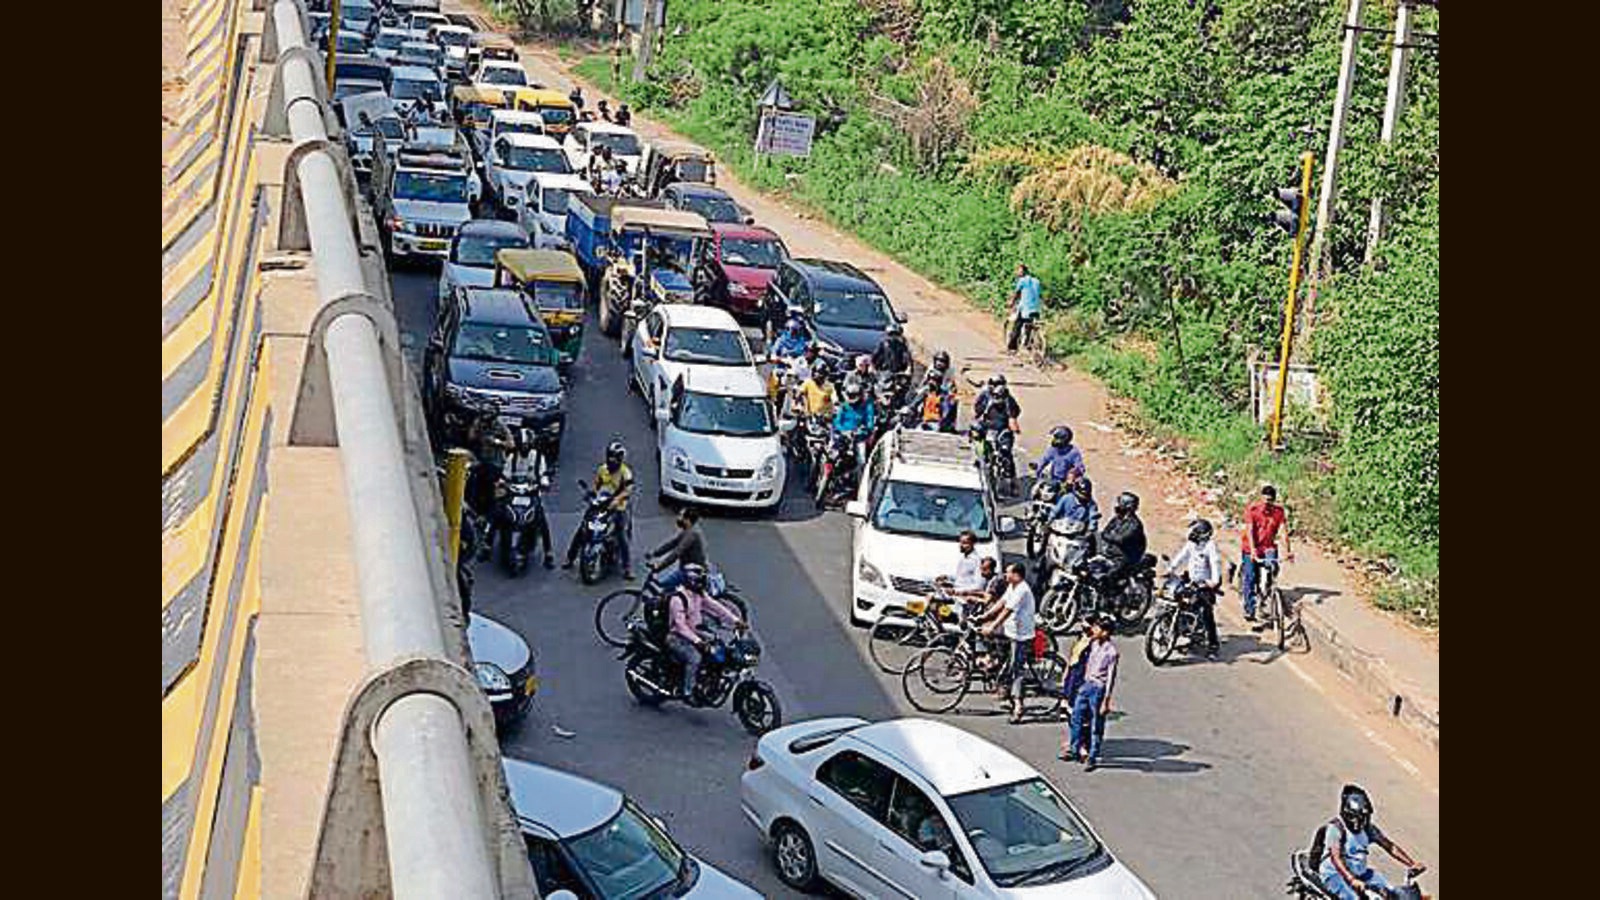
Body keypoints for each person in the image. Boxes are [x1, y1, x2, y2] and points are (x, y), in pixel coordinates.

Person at [1316, 785, 1423, 900]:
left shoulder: (1367, 829)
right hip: (1335, 875)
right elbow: (1336, 858)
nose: (1361, 821)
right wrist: (1351, 879)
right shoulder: (1336, 828)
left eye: (1364, 817)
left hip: (1361, 874)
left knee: (1391, 893)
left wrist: (1411, 864)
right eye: (1358, 818)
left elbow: (1390, 846)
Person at [665, 563, 745, 699]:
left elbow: (717, 607)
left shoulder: (698, 594)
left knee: (719, 648)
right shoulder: (677, 599)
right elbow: (680, 627)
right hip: (677, 637)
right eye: (698, 581)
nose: (701, 584)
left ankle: (709, 679)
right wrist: (698, 642)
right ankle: (687, 691)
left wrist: (736, 621)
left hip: (696, 633)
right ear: (690, 581)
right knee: (695, 658)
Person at [563, 441, 636, 578]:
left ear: (620, 459)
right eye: (610, 456)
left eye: (614, 457)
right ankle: (570, 557)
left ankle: (627, 568)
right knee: (583, 528)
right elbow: (596, 486)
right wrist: (591, 495)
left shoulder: (625, 473)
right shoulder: (602, 469)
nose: (611, 460)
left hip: (618, 507)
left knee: (621, 535)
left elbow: (628, 490)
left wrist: (617, 499)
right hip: (600, 504)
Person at [977, 562, 1037, 724]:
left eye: (1008, 572)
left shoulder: (1022, 590)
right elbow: (1002, 602)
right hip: (1010, 632)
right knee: (1000, 656)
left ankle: (1018, 707)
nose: (1005, 574)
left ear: (1016, 575)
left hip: (1021, 636)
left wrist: (992, 626)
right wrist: (985, 616)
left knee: (1016, 670)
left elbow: (1007, 610)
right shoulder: (1012, 587)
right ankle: (1003, 684)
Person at [1064, 613, 1117, 770]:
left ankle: (1092, 757)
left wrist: (1106, 701)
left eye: (1097, 628)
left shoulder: (1111, 653)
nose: (1093, 630)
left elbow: (1110, 678)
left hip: (1098, 689)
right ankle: (1074, 749)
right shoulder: (1093, 644)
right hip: (1085, 685)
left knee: (1095, 725)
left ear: (1105, 632)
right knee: (1076, 718)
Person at [499, 426, 555, 569]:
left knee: (541, 519)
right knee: (497, 512)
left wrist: (544, 483)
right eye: (521, 446)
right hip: (514, 493)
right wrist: (502, 483)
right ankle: (487, 545)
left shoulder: (538, 458)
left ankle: (549, 553)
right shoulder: (512, 458)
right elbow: (505, 476)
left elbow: (543, 475)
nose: (523, 449)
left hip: (532, 494)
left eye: (526, 446)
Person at [1168, 518, 1223, 660]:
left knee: (1206, 612)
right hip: (1192, 579)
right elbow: (1182, 556)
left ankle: (1213, 644)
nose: (1191, 533)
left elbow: (1215, 563)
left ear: (1203, 534)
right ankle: (1181, 630)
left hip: (1206, 583)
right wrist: (1171, 568)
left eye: (1195, 531)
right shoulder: (1191, 544)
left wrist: (1214, 582)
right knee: (1176, 598)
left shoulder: (1210, 546)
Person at [1240, 484, 1294, 625]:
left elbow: (1283, 532)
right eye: (1265, 501)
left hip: (1268, 547)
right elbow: (1250, 531)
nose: (1267, 504)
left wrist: (1288, 551)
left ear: (1273, 500)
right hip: (1251, 548)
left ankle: (1267, 596)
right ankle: (1250, 609)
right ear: (1261, 498)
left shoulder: (1278, 512)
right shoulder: (1253, 510)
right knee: (1251, 577)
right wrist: (1252, 550)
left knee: (1273, 569)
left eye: (1270, 501)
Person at [648, 507, 706, 593]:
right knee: (665, 587)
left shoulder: (691, 534)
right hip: (686, 569)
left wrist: (659, 566)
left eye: (680, 516)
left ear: (687, 520)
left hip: (691, 572)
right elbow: (672, 544)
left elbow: (676, 553)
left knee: (665, 588)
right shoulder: (688, 531)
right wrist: (654, 553)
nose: (678, 518)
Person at [1099, 491, 1148, 581]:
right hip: (1111, 552)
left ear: (1127, 506)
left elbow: (1120, 539)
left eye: (1120, 503)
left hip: (1126, 557)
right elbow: (1105, 532)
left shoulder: (1134, 524)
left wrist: (1110, 536)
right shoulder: (1117, 519)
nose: (1117, 506)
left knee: (1107, 577)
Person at [1006, 263, 1043, 353]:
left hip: (1025, 309)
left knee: (1017, 325)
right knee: (1030, 325)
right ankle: (1028, 343)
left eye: (1019, 271)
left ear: (1024, 272)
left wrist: (1011, 302)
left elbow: (1017, 294)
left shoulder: (1022, 281)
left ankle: (1012, 347)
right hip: (1036, 309)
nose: (1018, 273)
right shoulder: (1037, 281)